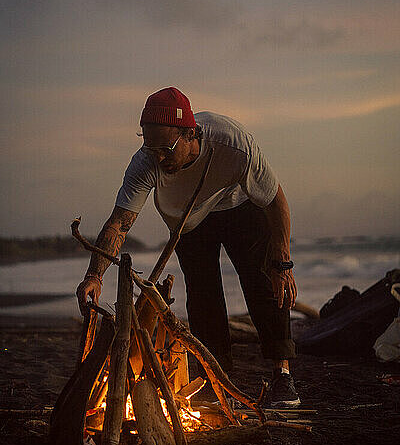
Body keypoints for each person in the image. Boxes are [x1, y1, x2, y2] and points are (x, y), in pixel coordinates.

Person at [76, 87, 300, 407]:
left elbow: (276, 201)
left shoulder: (234, 144)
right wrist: (94, 275)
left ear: (190, 134)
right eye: (151, 148)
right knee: (203, 295)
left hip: (241, 207)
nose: (159, 157)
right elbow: (119, 224)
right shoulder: (146, 160)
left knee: (264, 283)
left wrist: (283, 263)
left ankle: (283, 375)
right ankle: (217, 380)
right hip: (188, 220)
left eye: (166, 149)